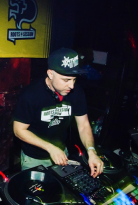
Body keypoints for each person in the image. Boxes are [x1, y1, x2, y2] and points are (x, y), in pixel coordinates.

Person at [13, 48, 104, 177]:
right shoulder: (31, 94)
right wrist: (50, 148)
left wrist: (91, 151)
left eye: (74, 79)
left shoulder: (77, 92)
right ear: (50, 74)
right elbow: (19, 130)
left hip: (62, 153)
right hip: (34, 158)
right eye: (66, 80)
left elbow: (83, 125)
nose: (71, 86)